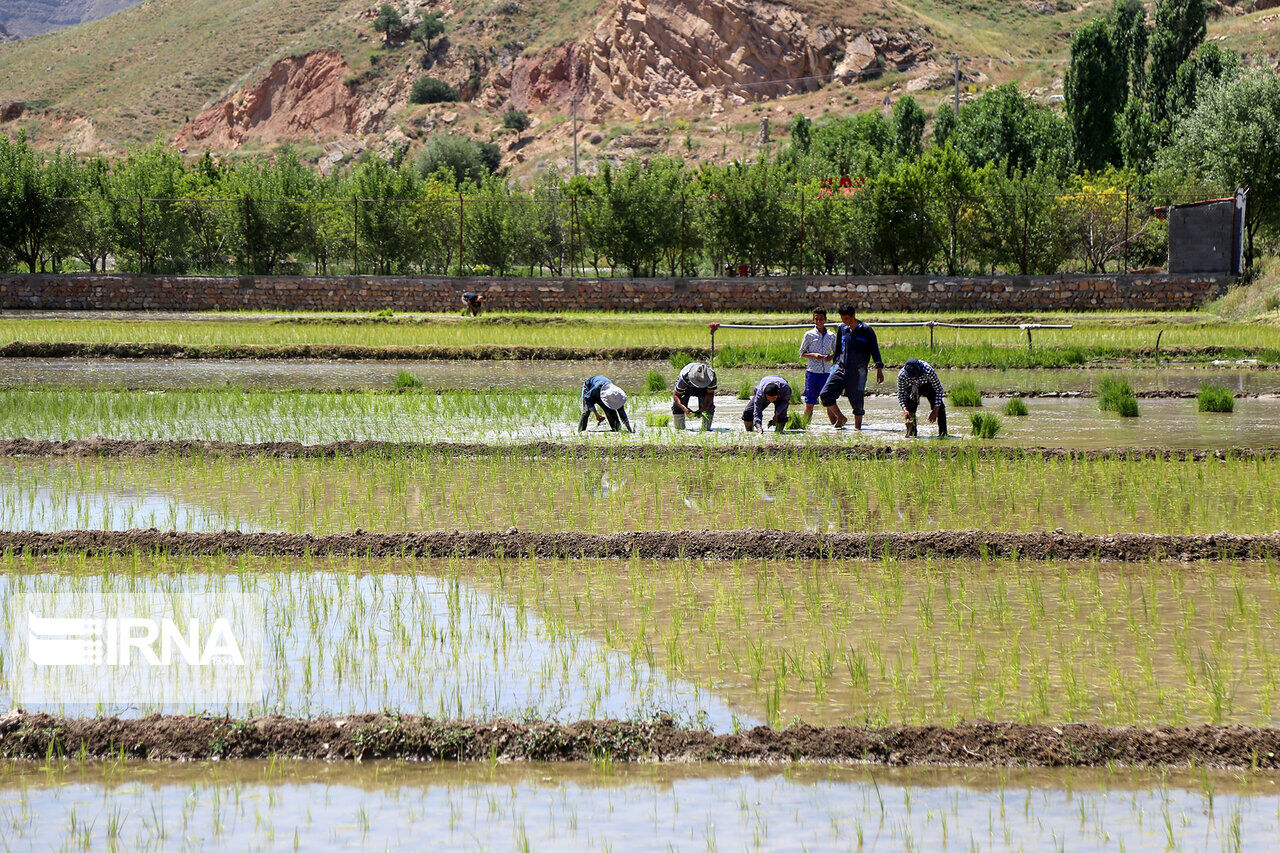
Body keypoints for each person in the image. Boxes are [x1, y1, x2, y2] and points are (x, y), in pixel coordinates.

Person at [819, 304, 884, 430]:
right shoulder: (843, 329)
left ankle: (857, 430)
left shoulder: (866, 330)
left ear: (853, 316)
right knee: (825, 394)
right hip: (841, 368)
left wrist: (879, 369)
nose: (845, 322)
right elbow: (838, 350)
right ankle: (841, 417)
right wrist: (834, 367)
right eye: (843, 319)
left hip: (859, 372)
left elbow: (874, 350)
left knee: (857, 402)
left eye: (847, 319)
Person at [798, 308, 837, 424]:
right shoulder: (809, 335)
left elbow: (837, 353)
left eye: (821, 319)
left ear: (825, 319)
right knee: (809, 402)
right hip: (812, 373)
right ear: (813, 320)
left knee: (829, 402)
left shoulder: (831, 336)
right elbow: (802, 353)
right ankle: (805, 425)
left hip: (826, 374)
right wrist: (814, 355)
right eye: (816, 319)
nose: (819, 321)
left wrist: (830, 357)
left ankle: (836, 427)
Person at [897, 358, 948, 437]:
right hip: (912, 387)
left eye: (913, 375)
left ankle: (943, 434)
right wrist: (905, 409)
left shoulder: (928, 370)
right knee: (910, 409)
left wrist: (935, 410)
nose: (912, 378)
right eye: (910, 376)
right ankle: (912, 435)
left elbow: (938, 390)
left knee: (940, 407)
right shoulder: (902, 375)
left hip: (927, 385)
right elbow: (901, 394)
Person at [671, 361, 717, 431]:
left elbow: (710, 394)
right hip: (687, 386)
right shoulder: (684, 376)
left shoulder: (711, 377)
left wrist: (705, 407)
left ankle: (706, 429)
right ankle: (679, 430)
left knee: (709, 406)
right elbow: (676, 395)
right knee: (677, 406)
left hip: (704, 389)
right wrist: (684, 408)